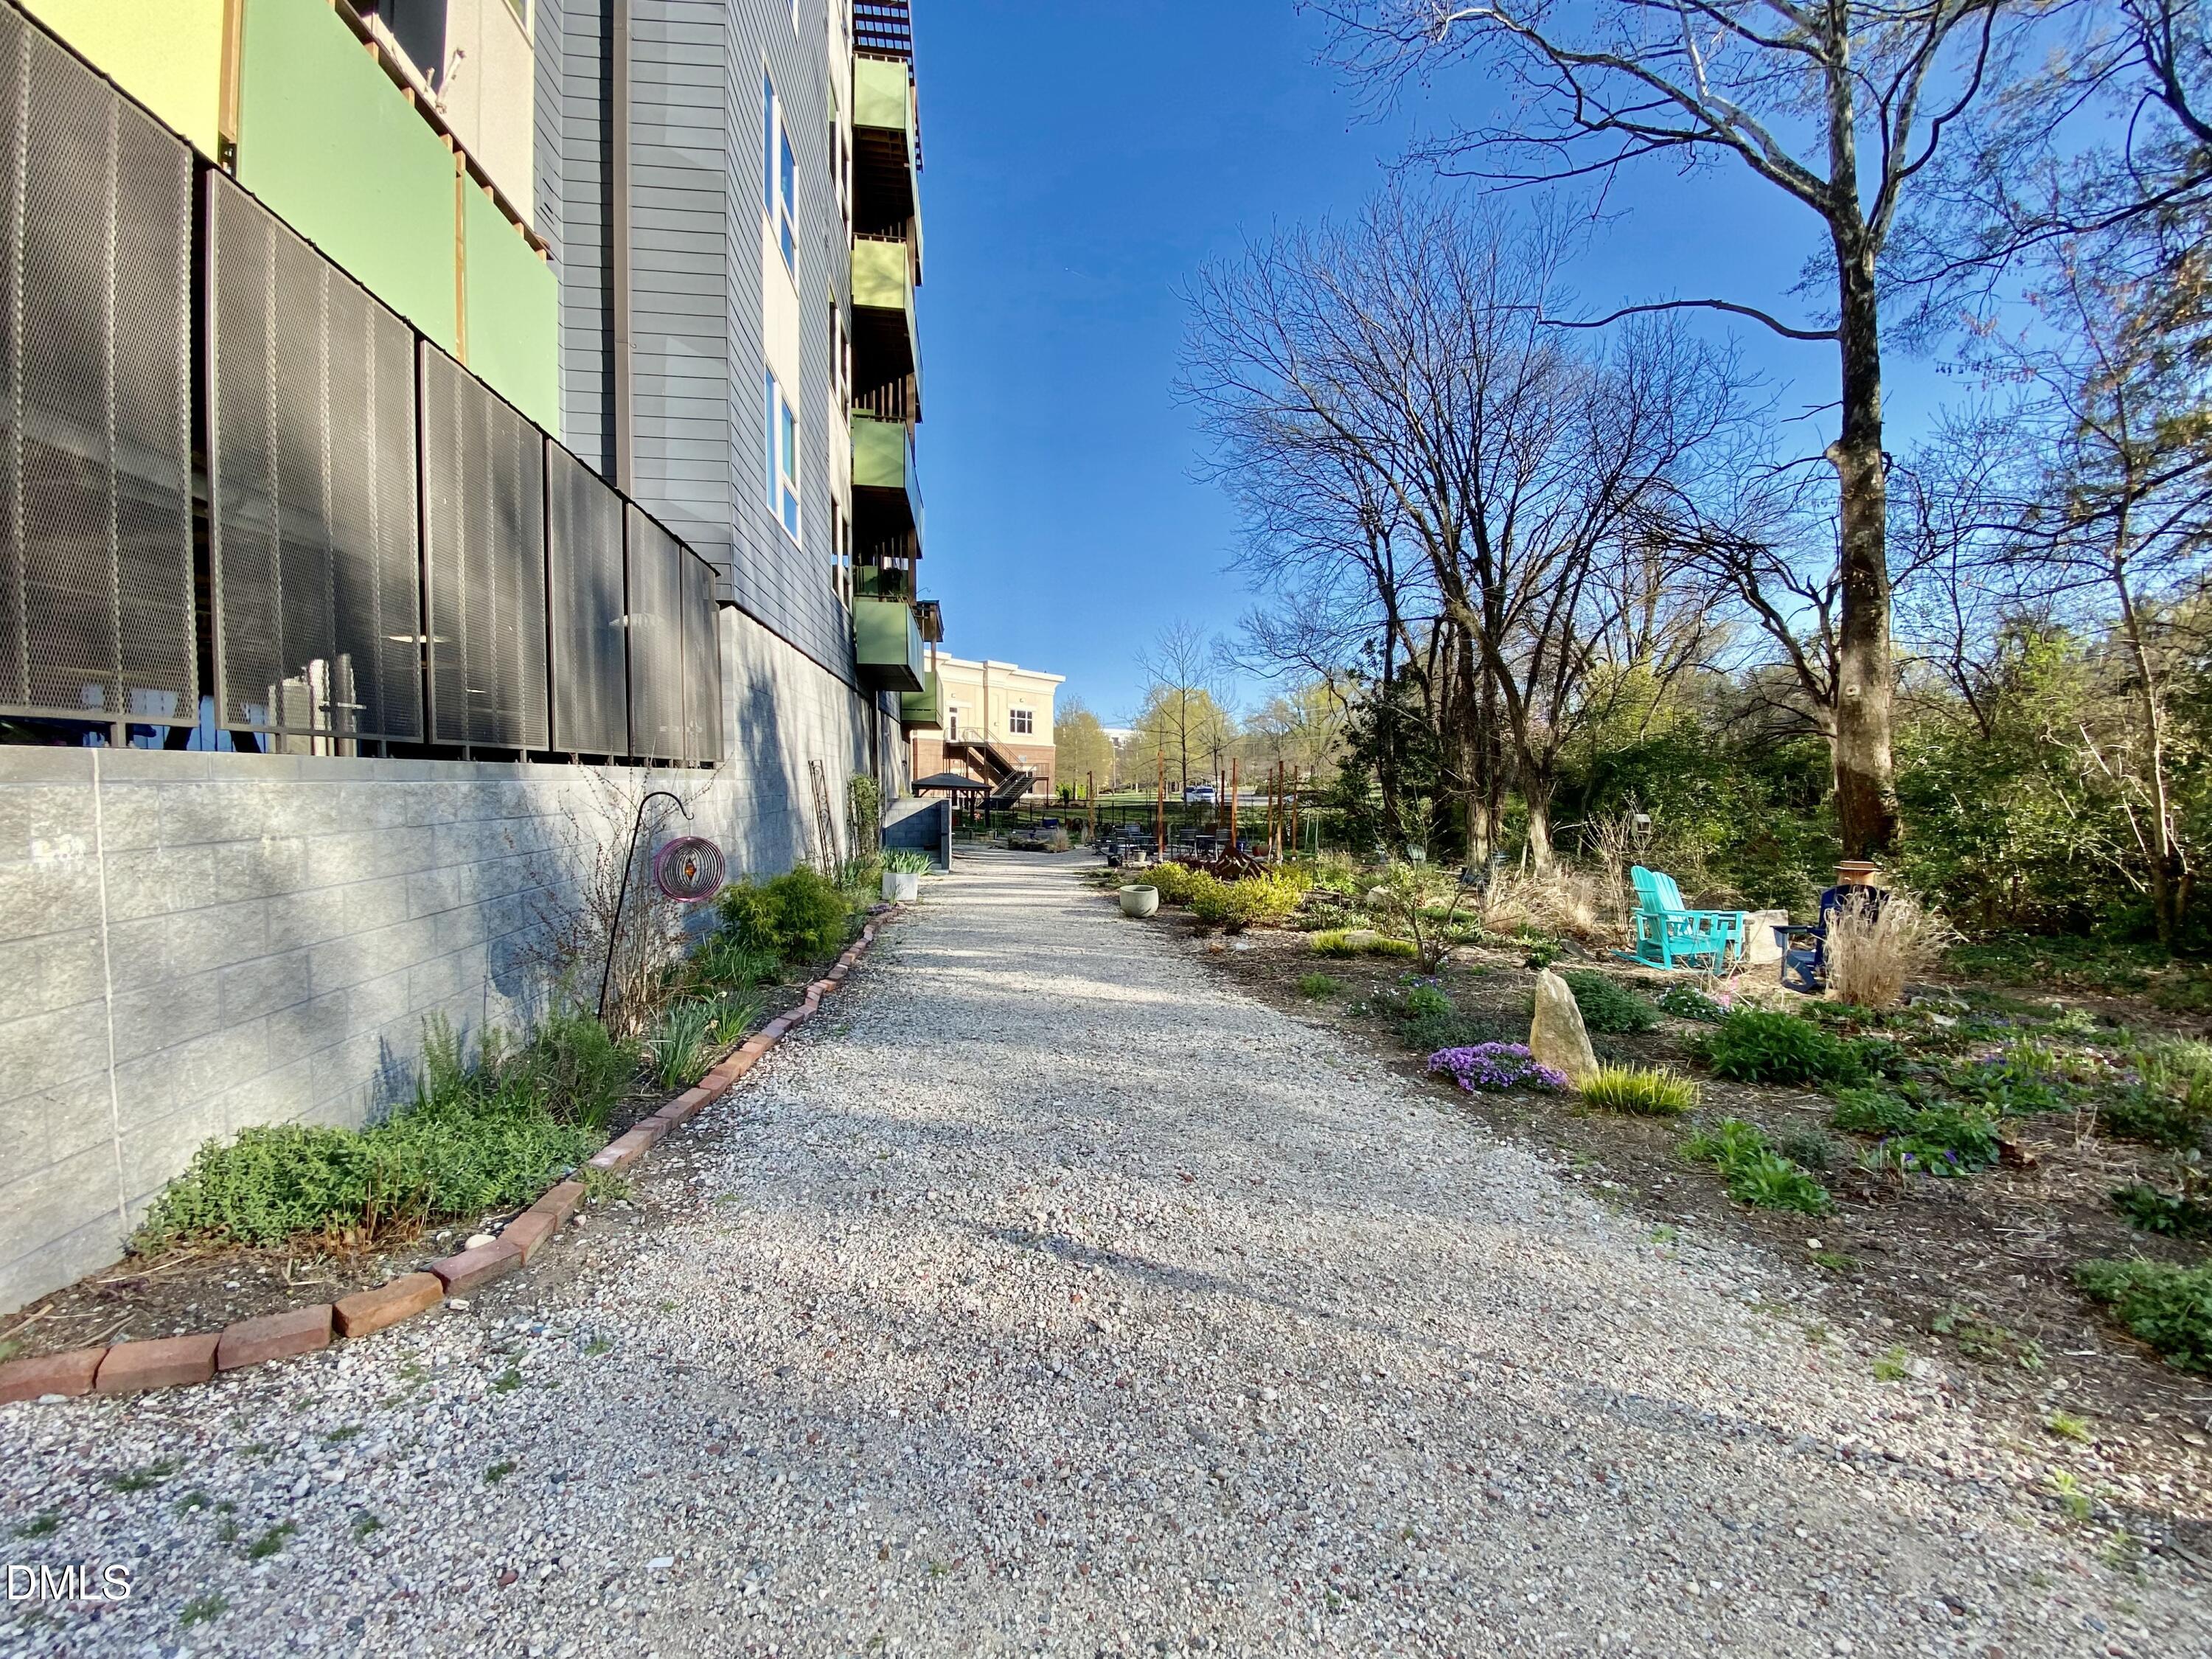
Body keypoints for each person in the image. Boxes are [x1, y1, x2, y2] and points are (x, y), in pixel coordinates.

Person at [1778, 861, 1887, 993]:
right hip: (1870, 960)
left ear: (1842, 875)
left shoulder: (1832, 896)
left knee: (1785, 942)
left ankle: (1807, 983)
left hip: (1828, 958)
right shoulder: (1880, 898)